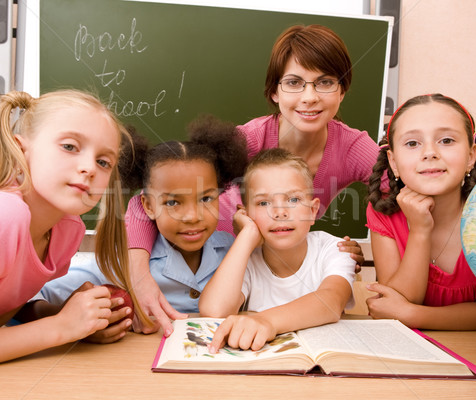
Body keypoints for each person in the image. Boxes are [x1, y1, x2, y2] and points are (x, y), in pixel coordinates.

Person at [126, 24, 383, 336]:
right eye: (294, 83)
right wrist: (139, 276)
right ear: (274, 92)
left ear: (342, 90)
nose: (310, 97)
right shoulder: (246, 140)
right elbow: (154, 194)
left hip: (264, 273)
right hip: (208, 268)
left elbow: (398, 191)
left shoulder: (353, 147)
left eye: (325, 82)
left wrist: (358, 250)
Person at [0, 89, 146, 370]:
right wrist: (59, 328)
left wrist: (64, 316)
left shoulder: (67, 231)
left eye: (103, 162)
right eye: (69, 147)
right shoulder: (2, 214)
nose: (89, 168)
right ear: (21, 149)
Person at [31, 115, 248, 339]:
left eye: (205, 199)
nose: (192, 217)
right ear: (148, 206)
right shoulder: (121, 265)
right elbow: (32, 296)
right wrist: (72, 323)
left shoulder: (237, 253)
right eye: (173, 203)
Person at [364, 93, 476, 330]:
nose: (430, 152)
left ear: (471, 156)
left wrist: (411, 314)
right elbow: (395, 303)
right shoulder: (383, 211)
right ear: (394, 162)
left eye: (447, 141)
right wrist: (420, 230)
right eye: (412, 143)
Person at [199, 148, 356, 352]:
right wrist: (246, 235)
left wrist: (266, 321)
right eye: (264, 203)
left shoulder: (333, 249)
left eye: (293, 200)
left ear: (313, 210)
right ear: (246, 214)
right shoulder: (245, 260)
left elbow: (331, 302)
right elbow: (214, 311)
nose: (280, 212)